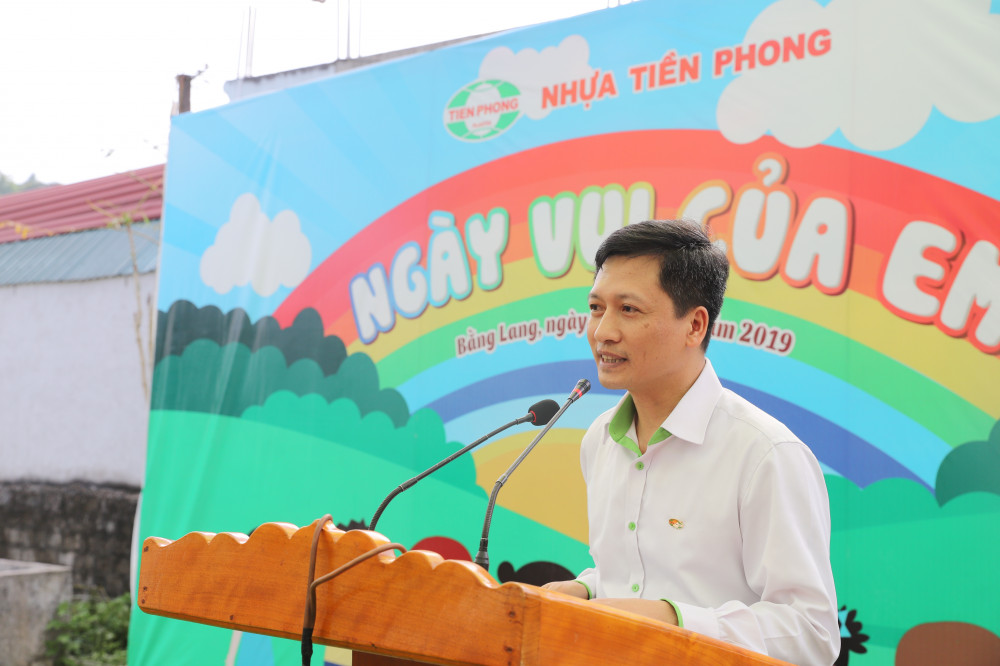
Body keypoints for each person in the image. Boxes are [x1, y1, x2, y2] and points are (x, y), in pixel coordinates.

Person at [542, 219, 840, 665]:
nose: (603, 331)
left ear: (695, 325)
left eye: (628, 309)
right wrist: (586, 589)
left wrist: (673, 620)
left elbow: (811, 634)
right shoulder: (600, 439)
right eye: (596, 307)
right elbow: (636, 577)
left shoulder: (765, 454)